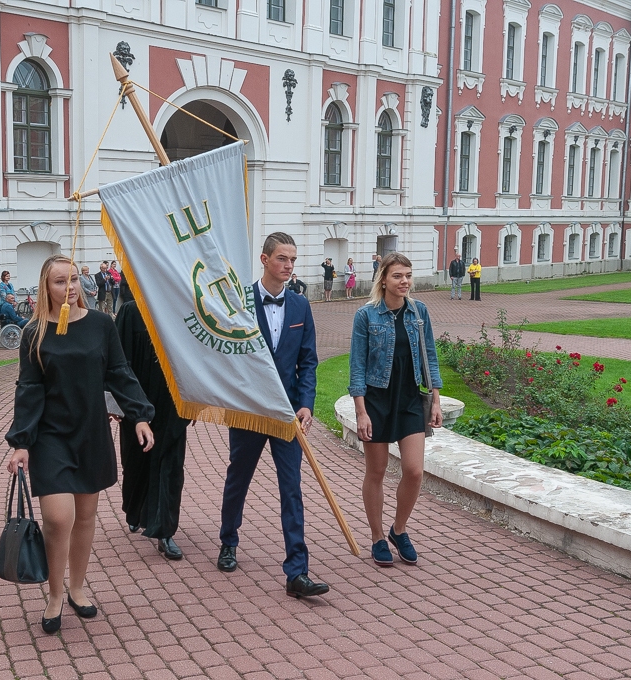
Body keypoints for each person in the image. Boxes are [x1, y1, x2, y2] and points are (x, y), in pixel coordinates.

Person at [6, 255, 155, 634]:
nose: (69, 287)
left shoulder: (102, 325)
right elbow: (29, 387)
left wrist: (139, 414)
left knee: (86, 518)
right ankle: (54, 594)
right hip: (50, 436)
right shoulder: (34, 332)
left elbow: (119, 373)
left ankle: (76, 589)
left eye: (73, 279)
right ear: (46, 288)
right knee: (59, 519)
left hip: (91, 433)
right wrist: (20, 441)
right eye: (59, 281)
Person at [217, 232, 329, 599]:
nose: (289, 266)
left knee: (291, 488)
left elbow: (308, 361)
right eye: (282, 258)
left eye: (293, 259)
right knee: (239, 476)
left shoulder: (300, 306)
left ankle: (297, 571)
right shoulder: (240, 302)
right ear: (264, 260)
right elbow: (228, 357)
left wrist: (307, 403)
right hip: (249, 411)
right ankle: (228, 541)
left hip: (287, 415)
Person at [348, 252, 442, 568]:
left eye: (408, 275)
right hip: (376, 400)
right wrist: (360, 411)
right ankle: (377, 537)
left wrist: (436, 400)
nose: (404, 282)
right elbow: (357, 367)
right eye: (398, 276)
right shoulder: (367, 316)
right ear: (384, 279)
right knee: (376, 471)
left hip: (410, 398)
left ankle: (398, 530)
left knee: (414, 471)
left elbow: (430, 355)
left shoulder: (419, 312)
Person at [116, 283, 191, 560]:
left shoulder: (186, 313)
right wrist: (116, 403)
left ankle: (165, 531)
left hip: (173, 402)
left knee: (170, 465)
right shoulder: (131, 312)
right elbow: (117, 362)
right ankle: (134, 509)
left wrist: (195, 402)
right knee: (135, 461)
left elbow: (198, 361)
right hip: (136, 400)